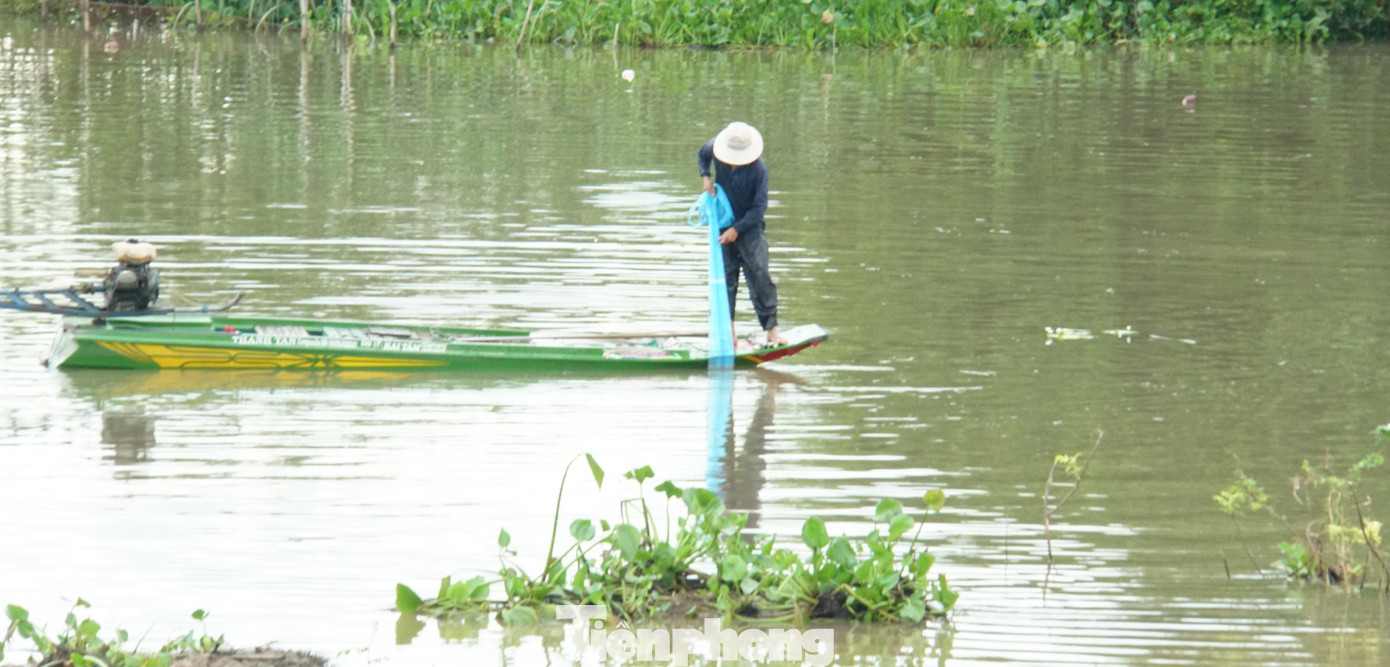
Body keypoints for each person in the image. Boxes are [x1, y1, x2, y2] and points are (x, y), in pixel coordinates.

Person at [697, 121, 787, 346]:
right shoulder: (716, 150)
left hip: (749, 228)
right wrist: (706, 176)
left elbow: (759, 208)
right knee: (726, 279)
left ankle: (772, 330)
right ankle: (729, 331)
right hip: (722, 223)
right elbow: (702, 155)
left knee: (759, 275)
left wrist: (737, 230)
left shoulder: (758, 170)